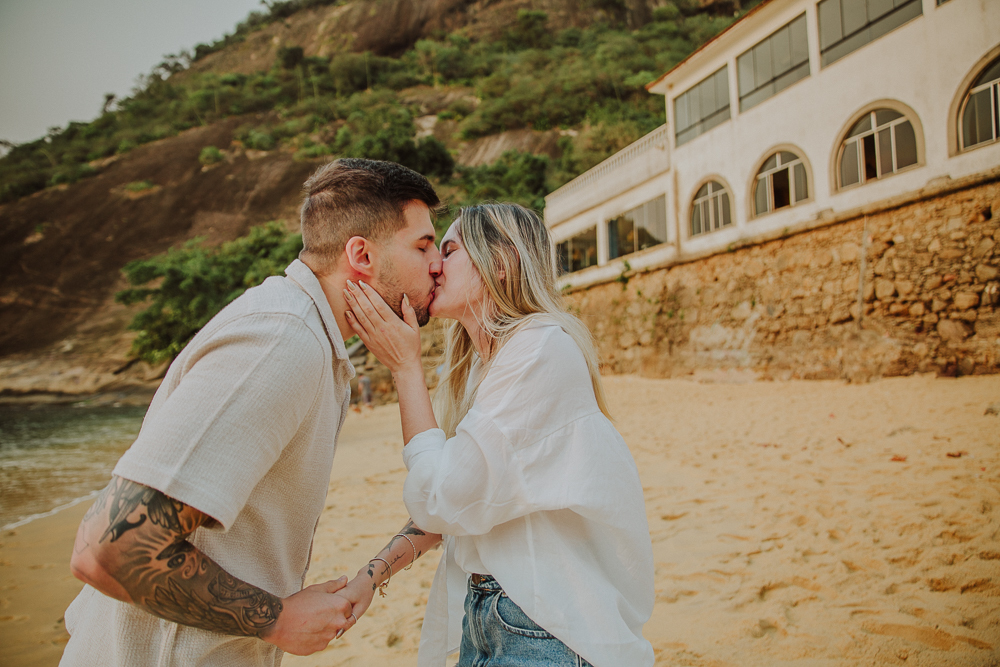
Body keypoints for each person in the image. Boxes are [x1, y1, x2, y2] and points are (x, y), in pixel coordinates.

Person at [61, 158, 443, 666]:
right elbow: (111, 546)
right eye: (423, 246)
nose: (437, 262)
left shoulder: (309, 339)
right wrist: (278, 620)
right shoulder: (282, 340)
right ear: (361, 255)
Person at [338, 203, 655, 666]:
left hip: (547, 625)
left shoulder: (540, 349)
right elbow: (456, 504)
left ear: (501, 263)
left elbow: (443, 494)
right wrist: (369, 577)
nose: (433, 265)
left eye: (447, 250)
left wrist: (405, 368)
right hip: (487, 615)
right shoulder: (483, 368)